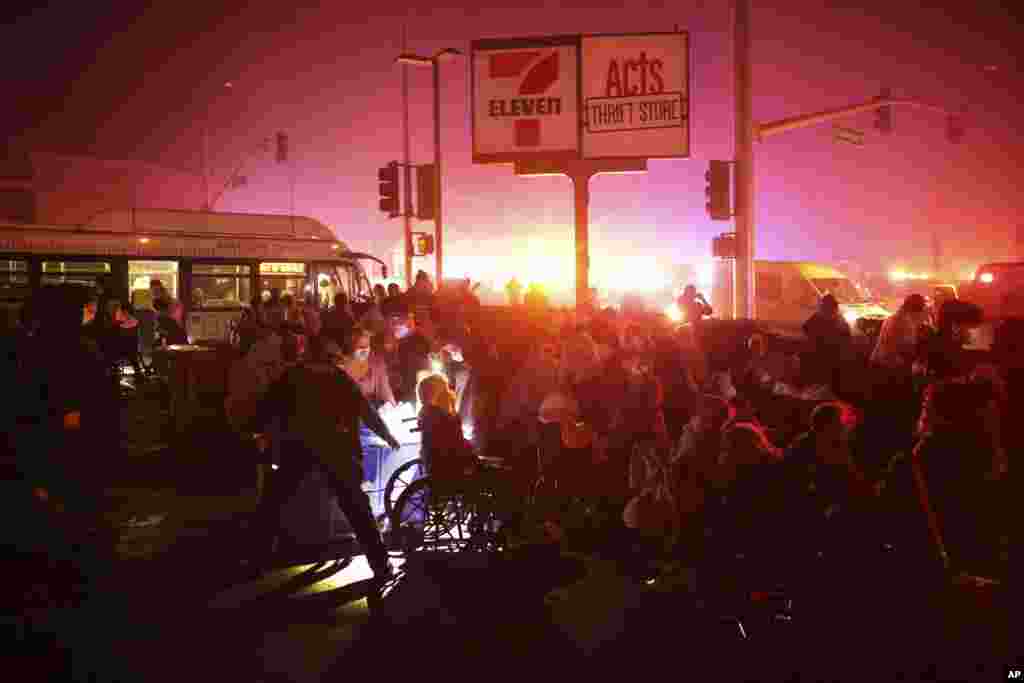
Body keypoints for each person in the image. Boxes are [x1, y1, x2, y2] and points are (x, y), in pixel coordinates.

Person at [247, 337, 401, 582]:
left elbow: (268, 406)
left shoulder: (293, 375)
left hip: (298, 447)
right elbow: (365, 410)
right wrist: (388, 435)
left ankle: (257, 558)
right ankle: (381, 564)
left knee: (274, 500)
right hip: (338, 449)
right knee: (357, 508)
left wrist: (256, 432)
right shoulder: (339, 378)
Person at [801, 293, 851, 390]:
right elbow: (846, 336)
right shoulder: (837, 318)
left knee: (822, 381)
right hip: (828, 356)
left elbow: (805, 328)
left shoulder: (820, 317)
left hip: (825, 356)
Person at [871, 294, 930, 371]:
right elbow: (908, 350)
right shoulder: (903, 322)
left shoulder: (895, 317)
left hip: (880, 363)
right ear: (916, 310)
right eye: (922, 309)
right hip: (888, 367)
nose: (923, 313)